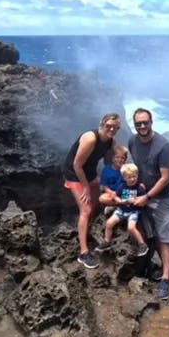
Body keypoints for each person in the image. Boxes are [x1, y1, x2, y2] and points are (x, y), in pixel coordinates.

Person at [128, 108, 169, 300]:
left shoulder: (163, 146)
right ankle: (149, 267)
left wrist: (146, 197)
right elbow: (134, 165)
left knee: (165, 237)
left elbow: (166, 178)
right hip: (142, 194)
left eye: (145, 123)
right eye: (138, 123)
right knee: (147, 233)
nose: (142, 126)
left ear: (151, 122)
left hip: (162, 197)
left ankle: (165, 278)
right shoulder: (132, 141)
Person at [63, 112, 121, 269]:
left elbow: (116, 159)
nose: (111, 129)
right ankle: (83, 252)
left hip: (90, 172)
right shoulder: (91, 138)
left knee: (96, 205)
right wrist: (86, 188)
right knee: (86, 210)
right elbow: (76, 165)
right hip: (75, 174)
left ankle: (90, 233)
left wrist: (128, 174)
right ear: (102, 124)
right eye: (109, 126)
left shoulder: (111, 141)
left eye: (115, 127)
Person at [96, 163, 149, 257]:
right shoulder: (122, 187)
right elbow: (115, 196)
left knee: (131, 227)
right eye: (129, 177)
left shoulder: (139, 188)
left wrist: (135, 201)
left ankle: (142, 244)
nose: (132, 179)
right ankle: (107, 241)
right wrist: (121, 201)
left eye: (134, 176)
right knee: (109, 223)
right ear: (124, 178)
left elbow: (144, 200)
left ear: (137, 175)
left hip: (133, 211)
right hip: (121, 210)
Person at [98, 145, 129, 213]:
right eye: (117, 157)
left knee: (130, 196)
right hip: (111, 194)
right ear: (112, 159)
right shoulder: (107, 170)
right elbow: (105, 186)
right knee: (102, 198)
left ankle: (118, 205)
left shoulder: (126, 170)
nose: (120, 160)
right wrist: (112, 193)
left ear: (125, 160)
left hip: (123, 194)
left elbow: (128, 185)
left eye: (122, 158)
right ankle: (119, 205)